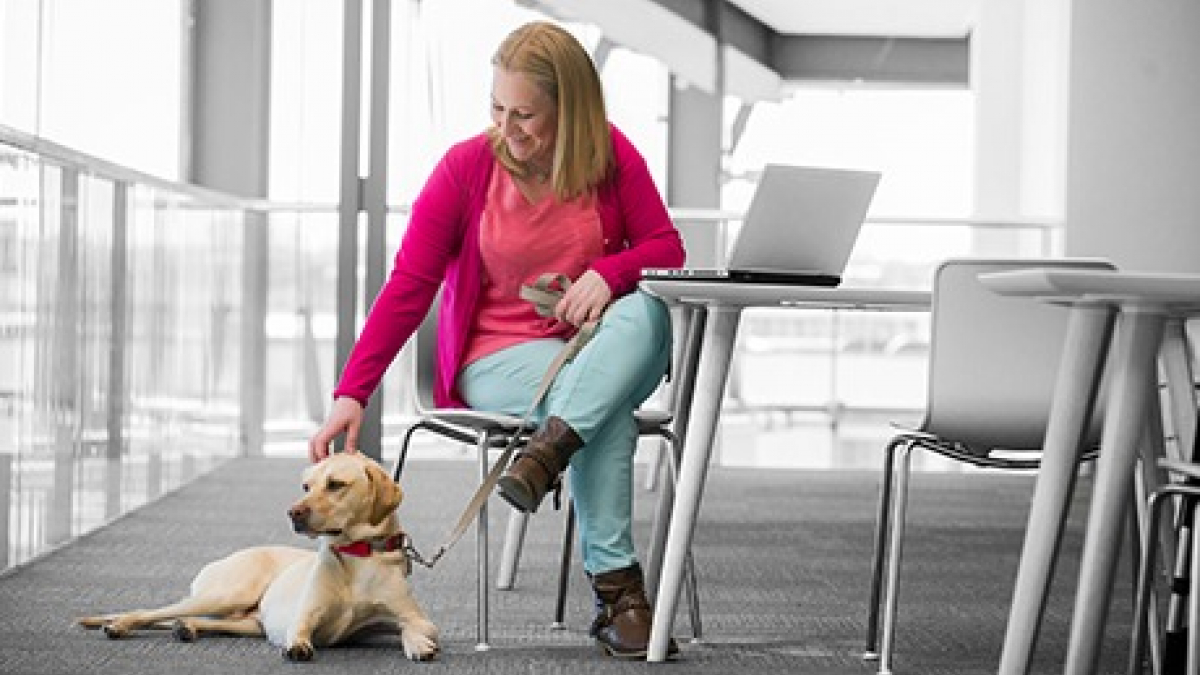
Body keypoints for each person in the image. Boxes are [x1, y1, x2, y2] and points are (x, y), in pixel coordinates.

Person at [308, 20, 685, 660]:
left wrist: (608, 271)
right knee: (604, 405)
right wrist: (352, 391)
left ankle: (544, 454)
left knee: (647, 313)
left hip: (598, 348)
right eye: (497, 108)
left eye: (526, 115)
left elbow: (666, 252)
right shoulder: (465, 169)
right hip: (499, 358)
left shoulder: (612, 157)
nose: (508, 129)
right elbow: (409, 285)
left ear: (572, 111)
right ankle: (619, 593)